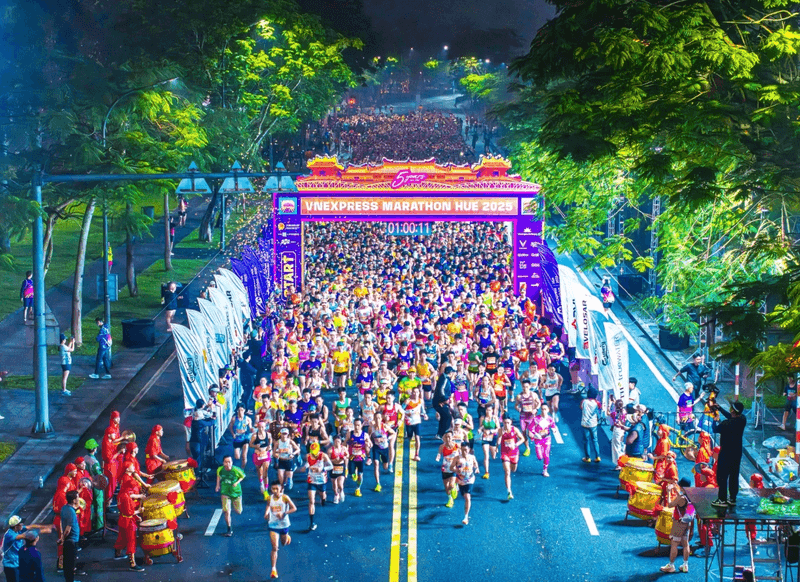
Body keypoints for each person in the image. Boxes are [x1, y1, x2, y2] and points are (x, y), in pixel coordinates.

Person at [711, 401, 747, 507]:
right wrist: (720, 409)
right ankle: (732, 498)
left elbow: (715, 429)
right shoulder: (742, 419)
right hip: (737, 452)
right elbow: (731, 417)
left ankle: (722, 499)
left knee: (722, 475)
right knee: (734, 475)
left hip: (726, 452)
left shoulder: (725, 424)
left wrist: (715, 419)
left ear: (732, 410)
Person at [113, 465, 146, 571]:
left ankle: (117, 553)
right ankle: (132, 563)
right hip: (128, 521)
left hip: (122, 519)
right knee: (131, 541)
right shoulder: (126, 498)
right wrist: (139, 512)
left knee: (122, 538)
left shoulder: (122, 493)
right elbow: (130, 512)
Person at [660, 478, 695, 573]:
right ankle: (685, 565)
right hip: (686, 523)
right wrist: (675, 490)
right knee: (685, 543)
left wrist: (668, 492)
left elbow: (670, 505)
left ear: (682, 487)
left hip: (678, 523)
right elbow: (681, 495)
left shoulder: (681, 498)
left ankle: (671, 565)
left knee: (674, 544)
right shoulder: (690, 495)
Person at [3, 516, 51, 582]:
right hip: (11, 566)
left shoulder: (18, 530)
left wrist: (44, 526)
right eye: (20, 523)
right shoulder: (9, 535)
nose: (22, 524)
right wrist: (44, 530)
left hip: (17, 563)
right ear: (16, 526)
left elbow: (31, 526)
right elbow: (26, 536)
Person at [265, 482, 297, 579]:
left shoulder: (285, 498)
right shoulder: (269, 498)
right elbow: (268, 506)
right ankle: (273, 569)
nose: (274, 491)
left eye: (276, 489)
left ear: (281, 489)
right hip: (273, 524)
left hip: (284, 524)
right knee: (275, 547)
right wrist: (266, 513)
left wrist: (284, 513)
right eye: (273, 489)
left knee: (283, 543)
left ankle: (286, 536)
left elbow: (294, 508)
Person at [304, 442, 333, 530]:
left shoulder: (323, 456)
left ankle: (323, 500)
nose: (314, 455)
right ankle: (312, 522)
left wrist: (322, 469)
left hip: (321, 480)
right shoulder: (308, 456)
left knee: (322, 495)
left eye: (315, 453)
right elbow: (307, 464)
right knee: (311, 501)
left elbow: (331, 466)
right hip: (312, 480)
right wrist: (306, 467)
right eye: (313, 452)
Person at [450, 441, 479, 525]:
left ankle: (466, 517)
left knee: (467, 497)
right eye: (462, 450)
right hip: (460, 480)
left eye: (466, 450)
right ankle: (457, 488)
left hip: (470, 479)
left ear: (469, 449)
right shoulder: (457, 458)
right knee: (463, 495)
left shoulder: (472, 457)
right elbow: (451, 467)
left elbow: (475, 464)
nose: (464, 452)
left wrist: (477, 469)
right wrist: (456, 470)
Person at [216, 455, 246, 537]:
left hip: (236, 493)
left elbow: (243, 476)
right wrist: (217, 486)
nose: (228, 463)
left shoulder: (236, 470)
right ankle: (229, 529)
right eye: (226, 462)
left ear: (232, 462)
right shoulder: (220, 469)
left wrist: (237, 482)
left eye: (229, 462)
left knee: (239, 511)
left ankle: (235, 506)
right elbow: (218, 477)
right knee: (226, 511)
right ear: (223, 463)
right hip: (225, 492)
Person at [499, 416, 525, 499]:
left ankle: (513, 466)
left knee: (513, 469)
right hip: (504, 453)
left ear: (511, 423)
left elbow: (522, 439)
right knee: (507, 472)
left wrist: (515, 445)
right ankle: (509, 492)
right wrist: (500, 436)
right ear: (502, 422)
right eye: (505, 423)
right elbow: (498, 441)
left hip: (514, 453)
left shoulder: (515, 429)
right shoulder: (500, 430)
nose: (506, 425)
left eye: (508, 423)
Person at [58, 490, 81, 581]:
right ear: (74, 500)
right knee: (70, 563)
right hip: (71, 540)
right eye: (77, 498)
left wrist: (61, 537)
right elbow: (68, 528)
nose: (79, 499)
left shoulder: (64, 508)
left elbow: (61, 522)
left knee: (68, 562)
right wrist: (63, 538)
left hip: (69, 540)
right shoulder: (71, 512)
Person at [529, 403, 556, 477]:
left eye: (545, 409)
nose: (543, 411)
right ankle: (541, 454)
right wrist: (534, 434)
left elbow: (553, 426)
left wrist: (554, 430)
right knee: (540, 457)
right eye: (542, 409)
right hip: (538, 439)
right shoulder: (536, 419)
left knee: (546, 455)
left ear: (548, 410)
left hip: (547, 438)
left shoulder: (550, 419)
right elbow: (530, 428)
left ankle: (545, 470)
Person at [580, 387, 602, 463]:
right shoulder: (596, 403)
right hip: (593, 424)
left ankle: (588, 457)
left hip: (585, 423)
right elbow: (599, 407)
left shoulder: (584, 401)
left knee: (586, 440)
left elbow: (581, 407)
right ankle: (598, 456)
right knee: (595, 440)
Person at [432, 367, 455, 438]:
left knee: (444, 417)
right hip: (440, 402)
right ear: (450, 373)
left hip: (439, 401)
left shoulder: (443, 378)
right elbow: (441, 390)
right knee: (447, 417)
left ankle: (440, 434)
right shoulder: (445, 379)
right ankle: (443, 434)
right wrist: (445, 399)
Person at [230, 404, 253, 470]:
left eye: (242, 410)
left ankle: (242, 470)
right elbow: (230, 427)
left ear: (244, 410)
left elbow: (250, 427)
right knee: (237, 457)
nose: (240, 412)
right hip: (237, 438)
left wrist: (251, 429)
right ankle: (237, 466)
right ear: (237, 411)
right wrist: (233, 434)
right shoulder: (234, 418)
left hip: (245, 438)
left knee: (244, 456)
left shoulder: (247, 419)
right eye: (239, 410)